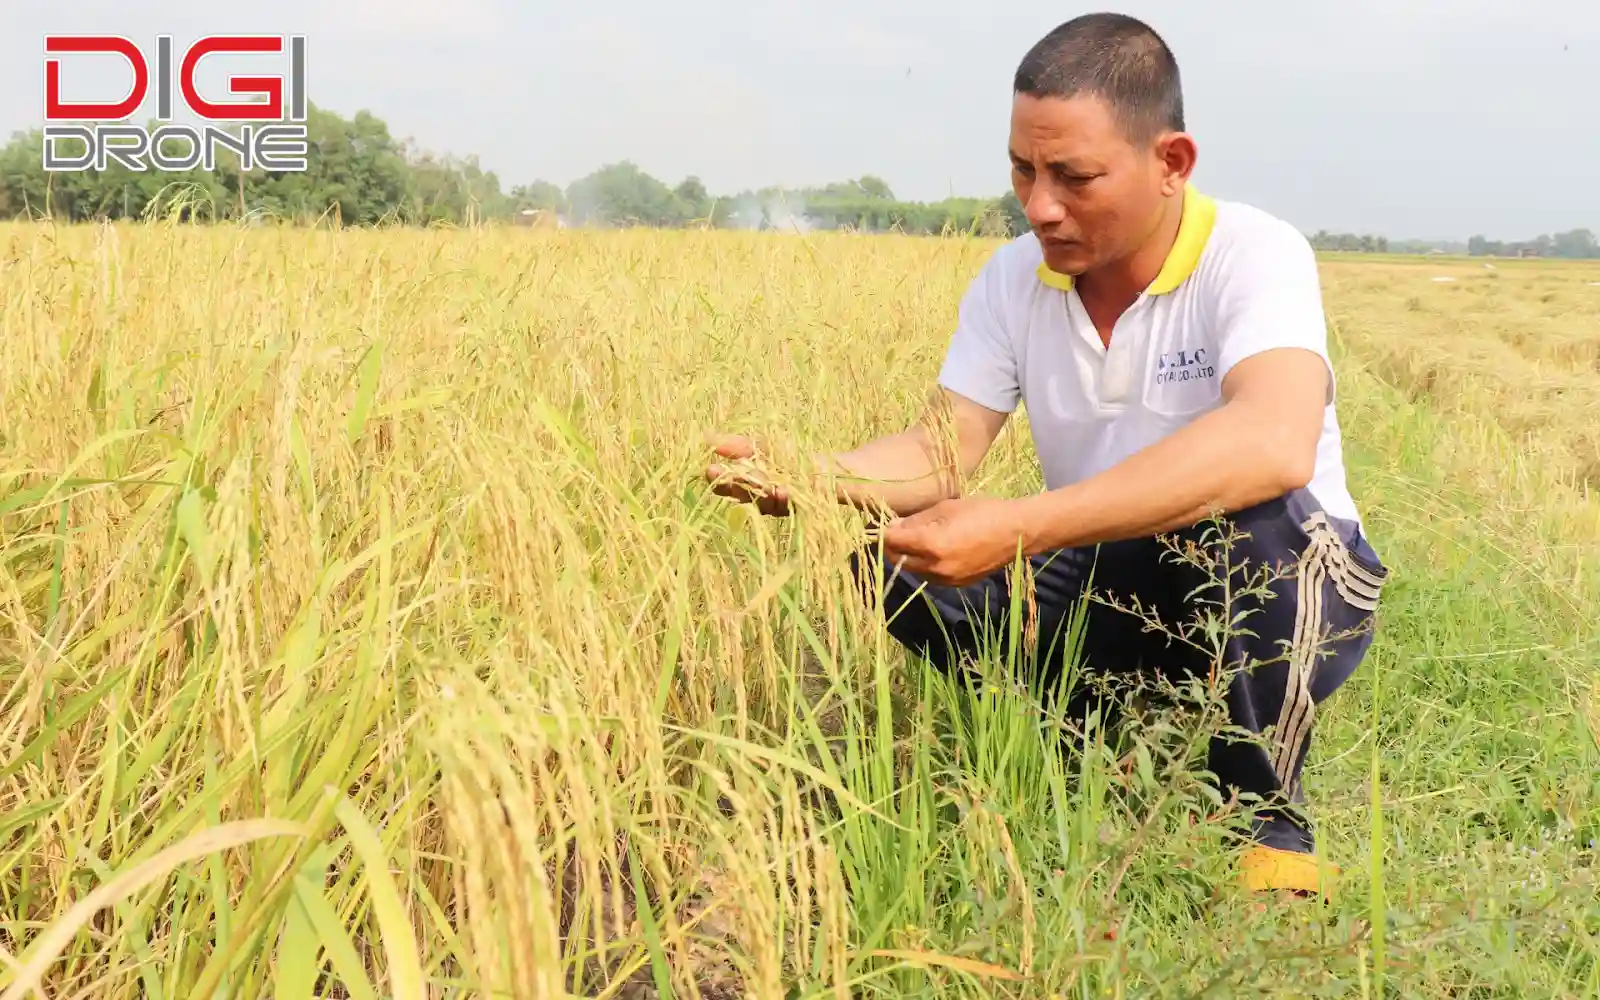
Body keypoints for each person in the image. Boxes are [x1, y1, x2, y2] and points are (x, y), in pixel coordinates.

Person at [704, 12, 1387, 899]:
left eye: (1075, 176)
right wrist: (806, 473)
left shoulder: (1251, 253)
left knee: (1250, 518)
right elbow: (936, 453)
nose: (1040, 206)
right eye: (1023, 172)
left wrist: (1020, 527)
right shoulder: (1012, 277)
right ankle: (1087, 746)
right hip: (1105, 563)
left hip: (1295, 576)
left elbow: (1272, 441)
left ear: (1171, 163)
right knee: (900, 565)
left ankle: (1267, 828)